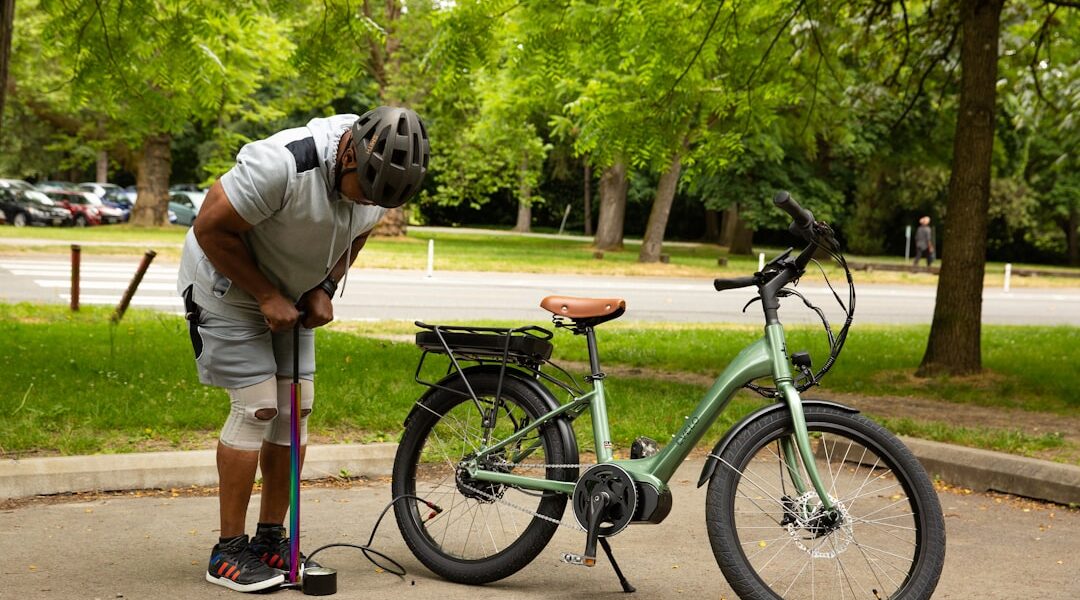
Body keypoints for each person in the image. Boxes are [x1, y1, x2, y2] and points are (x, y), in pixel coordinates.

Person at [177, 106, 429, 592]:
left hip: (290, 295)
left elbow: (358, 231)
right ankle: (227, 552)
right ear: (350, 155)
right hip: (227, 288)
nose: (370, 204)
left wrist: (327, 287)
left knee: (297, 409)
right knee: (257, 407)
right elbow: (210, 228)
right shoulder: (282, 165)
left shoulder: (377, 187)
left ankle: (272, 540)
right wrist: (265, 294)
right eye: (367, 191)